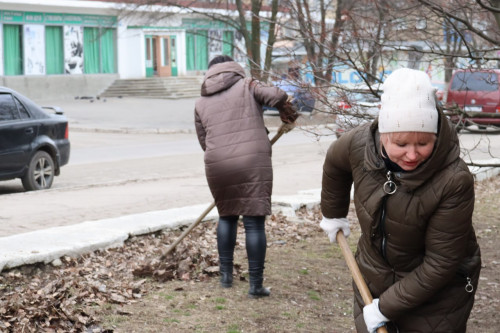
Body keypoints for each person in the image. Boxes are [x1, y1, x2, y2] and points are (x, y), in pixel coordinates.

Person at [320, 68, 481, 332]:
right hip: (372, 278)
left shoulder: (453, 180)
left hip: (437, 299)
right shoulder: (359, 144)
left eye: (423, 143)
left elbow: (440, 263)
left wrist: (385, 308)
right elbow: (335, 164)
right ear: (383, 134)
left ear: (436, 137)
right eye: (401, 143)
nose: (412, 154)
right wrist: (333, 213)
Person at [194, 55, 299, 298]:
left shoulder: (200, 102)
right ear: (233, 68)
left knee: (227, 217)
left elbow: (204, 141)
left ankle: (226, 278)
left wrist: (223, 156)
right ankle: (255, 286)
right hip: (252, 160)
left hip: (217, 164)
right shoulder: (248, 85)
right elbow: (277, 96)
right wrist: (287, 113)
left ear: (210, 74)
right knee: (253, 221)